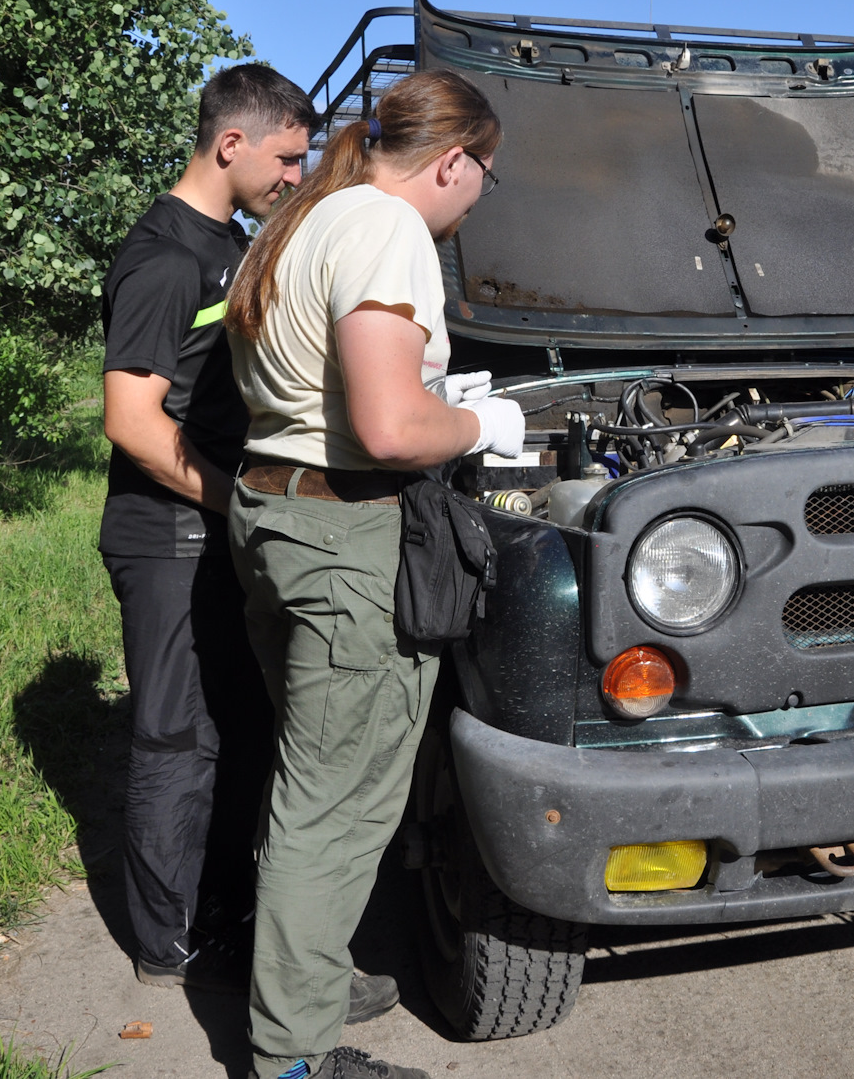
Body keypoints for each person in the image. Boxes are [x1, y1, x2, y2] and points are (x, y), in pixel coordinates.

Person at [224, 70, 524, 1079]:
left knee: (309, 780)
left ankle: (302, 975)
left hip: (274, 512)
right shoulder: (387, 230)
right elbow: (393, 427)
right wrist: (488, 422)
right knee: (338, 804)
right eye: (485, 176)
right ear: (453, 161)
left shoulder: (305, 218)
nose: (480, 197)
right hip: (344, 535)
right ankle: (293, 1058)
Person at [100, 63, 314, 991]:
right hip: (169, 535)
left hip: (218, 528)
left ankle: (221, 909)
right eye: (288, 159)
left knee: (236, 726)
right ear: (232, 144)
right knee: (175, 741)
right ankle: (165, 942)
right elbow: (133, 420)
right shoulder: (165, 257)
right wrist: (242, 501)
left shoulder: (227, 243)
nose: (295, 177)